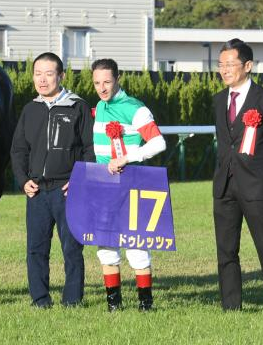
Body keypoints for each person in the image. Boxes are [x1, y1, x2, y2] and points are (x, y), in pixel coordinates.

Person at [212, 38, 263, 313]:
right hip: (224, 185)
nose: (224, 70)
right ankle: (231, 306)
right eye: (220, 64)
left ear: (248, 65)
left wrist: (260, 171)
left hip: (257, 186)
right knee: (226, 250)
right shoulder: (218, 100)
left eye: (230, 64)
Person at [10, 52, 95, 308]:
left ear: (61, 76)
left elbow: (89, 149)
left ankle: (72, 301)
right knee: (36, 249)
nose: (42, 80)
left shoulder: (77, 106)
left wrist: (80, 180)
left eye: (49, 74)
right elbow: (18, 150)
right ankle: (40, 299)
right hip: (36, 192)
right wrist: (23, 180)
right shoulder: (30, 109)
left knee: (71, 249)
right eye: (38, 74)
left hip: (68, 190)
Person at [91, 58, 166, 312]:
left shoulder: (136, 108)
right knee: (106, 245)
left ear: (118, 78)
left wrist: (126, 158)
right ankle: (114, 304)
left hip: (132, 183)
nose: (102, 88)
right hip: (103, 185)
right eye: (97, 83)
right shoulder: (99, 107)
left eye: (107, 82)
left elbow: (158, 143)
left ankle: (146, 304)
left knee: (136, 244)